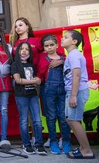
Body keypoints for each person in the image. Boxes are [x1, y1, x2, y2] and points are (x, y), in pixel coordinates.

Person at [61, 29, 95, 159]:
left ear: (74, 41)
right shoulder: (71, 55)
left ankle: (86, 151)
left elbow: (76, 74)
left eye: (66, 37)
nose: (62, 39)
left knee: (74, 120)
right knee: (70, 119)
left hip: (77, 91)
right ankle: (82, 147)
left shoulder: (75, 54)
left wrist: (74, 95)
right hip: (73, 91)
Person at [37, 34, 72, 155]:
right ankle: (53, 141)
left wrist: (61, 61)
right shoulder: (42, 58)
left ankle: (66, 141)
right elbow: (40, 75)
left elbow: (70, 66)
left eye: (52, 45)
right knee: (51, 117)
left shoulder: (63, 56)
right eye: (46, 46)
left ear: (57, 45)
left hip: (62, 90)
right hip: (48, 91)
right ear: (43, 47)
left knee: (63, 117)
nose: (49, 48)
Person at [11, 42, 47, 155]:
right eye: (22, 49)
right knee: (24, 120)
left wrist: (38, 81)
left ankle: (39, 145)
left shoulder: (31, 65)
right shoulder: (15, 64)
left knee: (37, 120)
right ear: (18, 51)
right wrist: (34, 81)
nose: (24, 51)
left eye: (27, 49)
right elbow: (18, 80)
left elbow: (36, 79)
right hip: (21, 96)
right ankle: (26, 145)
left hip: (33, 95)